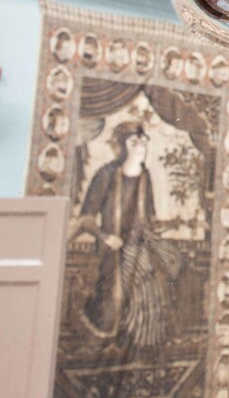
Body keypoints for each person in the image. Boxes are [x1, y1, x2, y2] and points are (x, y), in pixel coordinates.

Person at [74, 122, 181, 349]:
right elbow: (86, 219)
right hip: (112, 247)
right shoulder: (106, 175)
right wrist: (104, 237)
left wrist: (173, 224)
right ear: (122, 146)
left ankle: (142, 342)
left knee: (171, 269)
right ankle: (110, 339)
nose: (141, 147)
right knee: (117, 296)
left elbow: (148, 220)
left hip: (140, 245)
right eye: (135, 142)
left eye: (144, 142)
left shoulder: (145, 176)